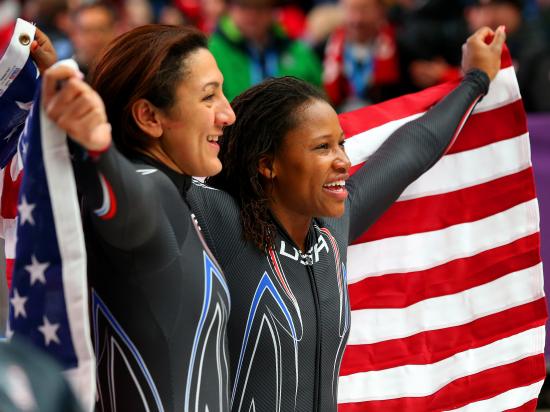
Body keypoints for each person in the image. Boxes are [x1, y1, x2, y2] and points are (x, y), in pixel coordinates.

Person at [42, 24, 504, 411]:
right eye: (321, 147)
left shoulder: (332, 228)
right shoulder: (216, 218)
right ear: (268, 164)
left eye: (341, 144)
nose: (343, 161)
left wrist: (475, 80)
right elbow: (141, 187)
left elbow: (411, 151)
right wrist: (88, 137)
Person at [41, 24, 236, 411]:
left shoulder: (180, 193)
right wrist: (96, 145)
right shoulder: (150, 188)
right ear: (148, 116)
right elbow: (132, 205)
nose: (228, 114)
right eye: (209, 96)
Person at [208, 0, 322, 101]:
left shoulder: (298, 51)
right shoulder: (212, 52)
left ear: (273, 8)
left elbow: (320, 99)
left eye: (260, 6)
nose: (252, 14)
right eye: (243, 5)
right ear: (229, 6)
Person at [322, 0, 402, 112]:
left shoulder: (397, 44)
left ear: (380, 11)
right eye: (351, 10)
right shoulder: (327, 46)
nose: (357, 20)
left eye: (364, 10)